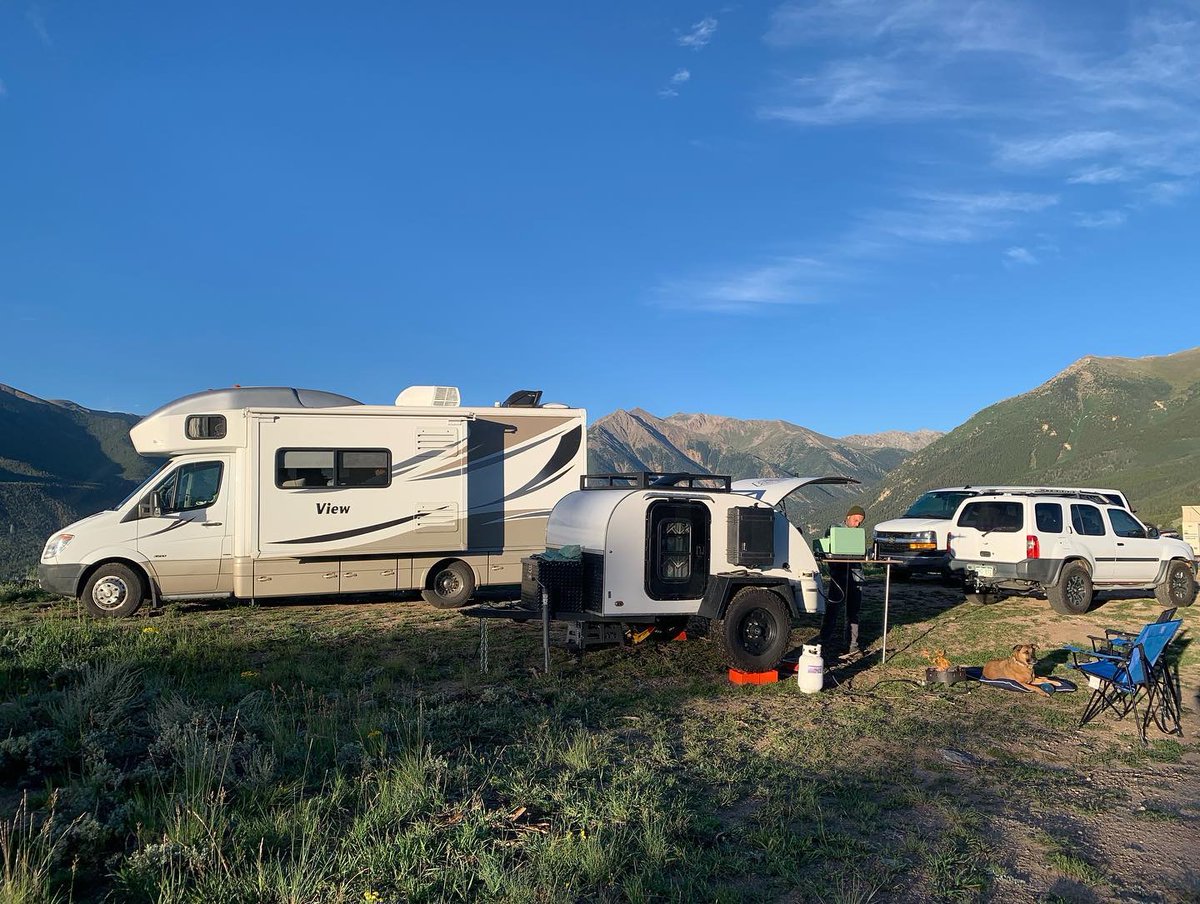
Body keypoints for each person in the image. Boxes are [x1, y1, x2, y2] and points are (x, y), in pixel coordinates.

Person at [818, 505, 867, 659]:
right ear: (848, 517)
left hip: (855, 574)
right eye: (855, 520)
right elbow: (827, 550)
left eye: (860, 521)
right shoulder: (834, 529)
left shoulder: (858, 534)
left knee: (853, 611)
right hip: (839, 574)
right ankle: (824, 643)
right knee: (833, 609)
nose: (857, 524)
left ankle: (853, 645)